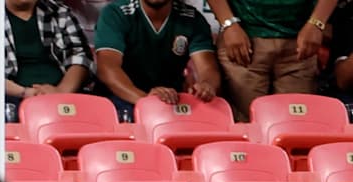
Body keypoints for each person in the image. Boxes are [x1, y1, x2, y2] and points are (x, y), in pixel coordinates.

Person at [206, 0, 336, 119]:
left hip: (299, 45)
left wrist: (317, 23)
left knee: (297, 125)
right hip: (244, 42)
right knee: (245, 125)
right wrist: (228, 23)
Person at [94, 0, 221, 119]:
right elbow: (107, 68)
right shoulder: (116, 13)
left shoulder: (192, 18)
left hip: (170, 99)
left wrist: (207, 85)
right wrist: (145, 100)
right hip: (122, 98)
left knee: (209, 117)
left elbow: (208, 68)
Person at [4, 0, 94, 110]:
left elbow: (80, 56)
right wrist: (25, 92)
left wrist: (61, 91)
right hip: (11, 99)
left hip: (65, 95)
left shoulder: (59, 12)